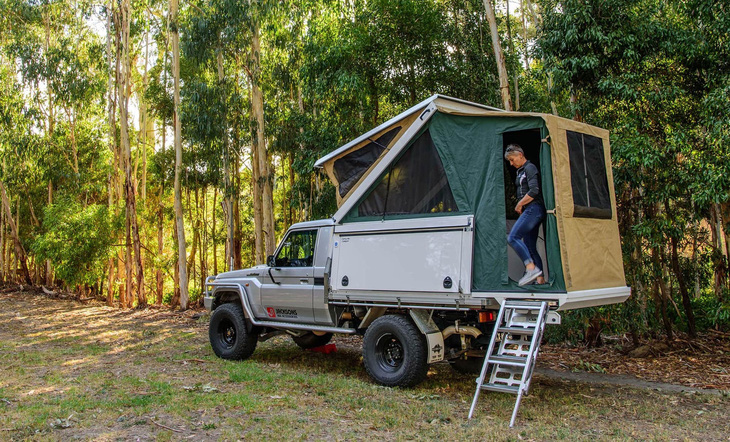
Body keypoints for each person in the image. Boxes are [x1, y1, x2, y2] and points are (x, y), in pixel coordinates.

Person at [504, 144, 546, 286]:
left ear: (520, 155)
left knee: (513, 237)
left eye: (512, 159)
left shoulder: (530, 168)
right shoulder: (520, 171)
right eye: (509, 161)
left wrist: (520, 203)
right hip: (529, 209)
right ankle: (540, 280)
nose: (511, 163)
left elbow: (534, 190)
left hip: (534, 208)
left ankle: (530, 267)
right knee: (529, 245)